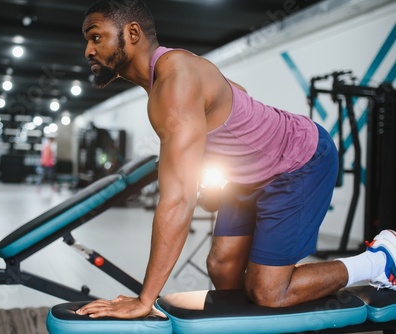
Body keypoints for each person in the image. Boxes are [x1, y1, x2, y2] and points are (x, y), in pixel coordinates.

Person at [77, 0, 396, 319]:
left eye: (96, 37)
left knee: (268, 292)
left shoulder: (174, 78)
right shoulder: (169, 74)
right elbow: (235, 93)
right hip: (249, 179)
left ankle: (380, 261)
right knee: (221, 266)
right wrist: (222, 174)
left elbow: (177, 202)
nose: (88, 51)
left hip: (299, 161)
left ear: (132, 33)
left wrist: (145, 299)